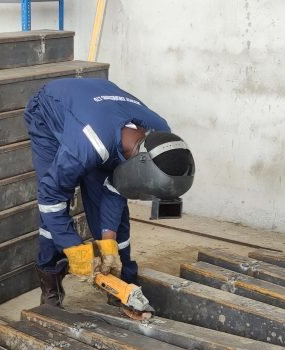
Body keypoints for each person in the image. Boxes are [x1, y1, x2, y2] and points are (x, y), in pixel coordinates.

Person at [25, 78, 194, 308]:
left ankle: (122, 281)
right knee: (55, 210)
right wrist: (72, 246)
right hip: (51, 109)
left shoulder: (162, 138)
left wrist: (108, 241)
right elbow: (49, 197)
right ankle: (50, 279)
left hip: (98, 111)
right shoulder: (87, 147)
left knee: (117, 214)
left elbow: (117, 189)